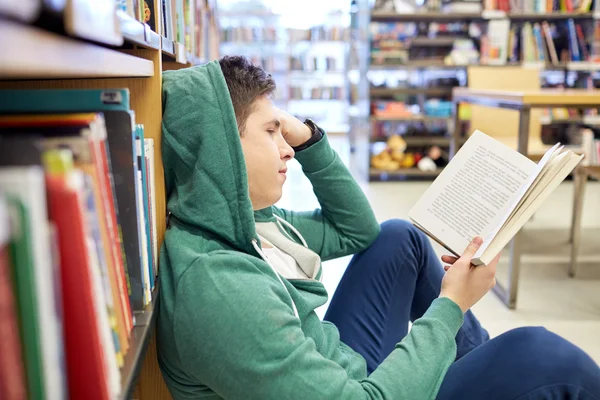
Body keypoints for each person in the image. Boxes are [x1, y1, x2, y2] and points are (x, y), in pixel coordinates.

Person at [156, 55, 600, 400]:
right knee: (544, 356)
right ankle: (493, 374)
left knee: (398, 238)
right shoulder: (220, 288)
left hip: (336, 367)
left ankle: (481, 367)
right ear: (222, 152)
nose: (287, 150)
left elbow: (357, 231)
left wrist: (308, 137)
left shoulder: (247, 224)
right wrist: (452, 304)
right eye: (272, 132)